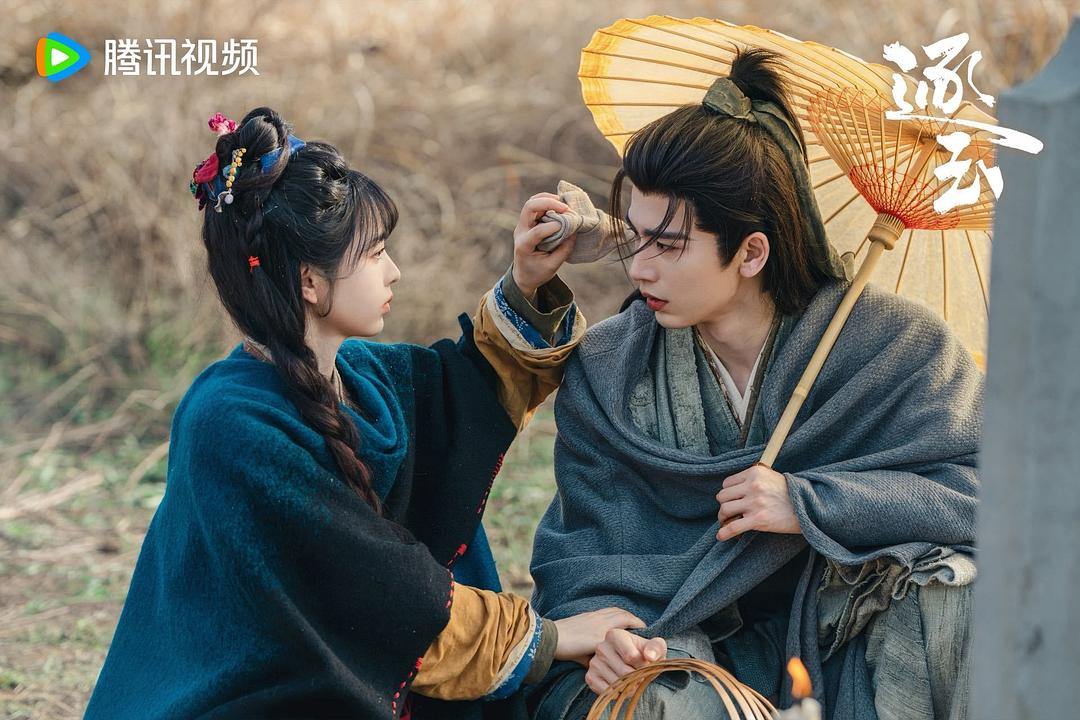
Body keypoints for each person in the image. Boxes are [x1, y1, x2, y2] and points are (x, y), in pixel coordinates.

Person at [84, 106, 644, 720]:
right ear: (309, 281)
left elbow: (468, 393)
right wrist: (551, 637)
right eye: (375, 253)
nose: (394, 270)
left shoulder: (362, 373)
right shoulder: (231, 423)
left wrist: (528, 278)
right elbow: (379, 591)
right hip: (252, 695)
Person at [525, 49, 981, 720]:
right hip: (678, 636)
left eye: (668, 245)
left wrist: (813, 504)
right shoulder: (611, 366)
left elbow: (985, 496)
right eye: (638, 239)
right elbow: (586, 545)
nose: (640, 269)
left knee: (961, 594)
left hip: (844, 635)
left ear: (751, 252)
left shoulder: (897, 345)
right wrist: (609, 631)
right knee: (646, 699)